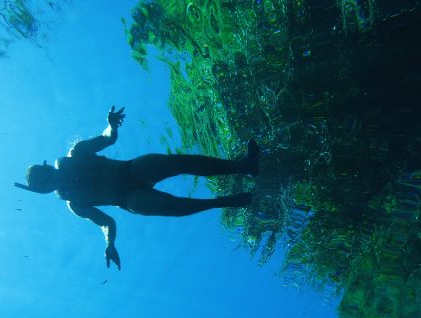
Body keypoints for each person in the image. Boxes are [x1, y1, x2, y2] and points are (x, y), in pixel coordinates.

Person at [15, 106, 259, 269]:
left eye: (47, 172)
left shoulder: (76, 153)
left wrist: (112, 124)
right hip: (129, 198)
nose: (52, 176)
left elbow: (108, 138)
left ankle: (243, 166)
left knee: (179, 162)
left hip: (130, 170)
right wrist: (109, 244)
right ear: (46, 188)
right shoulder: (75, 203)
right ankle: (226, 201)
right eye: (46, 179)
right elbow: (107, 223)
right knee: (171, 205)